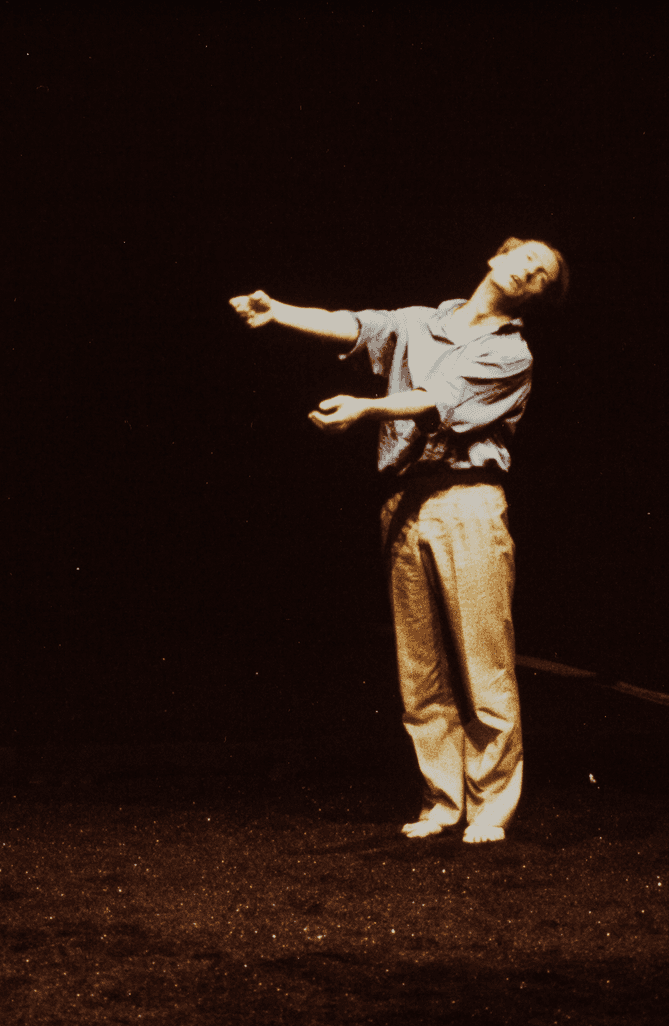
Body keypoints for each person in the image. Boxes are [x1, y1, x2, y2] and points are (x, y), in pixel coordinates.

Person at [230, 237, 568, 843]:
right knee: (420, 666)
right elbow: (352, 325)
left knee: (482, 662)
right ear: (497, 256)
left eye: (542, 273)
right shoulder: (418, 321)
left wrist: (365, 409)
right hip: (402, 501)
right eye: (526, 255)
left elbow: (436, 402)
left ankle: (491, 805)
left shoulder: (510, 353)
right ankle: (442, 799)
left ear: (538, 296)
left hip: (466, 500)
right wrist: (276, 310)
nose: (529, 268)